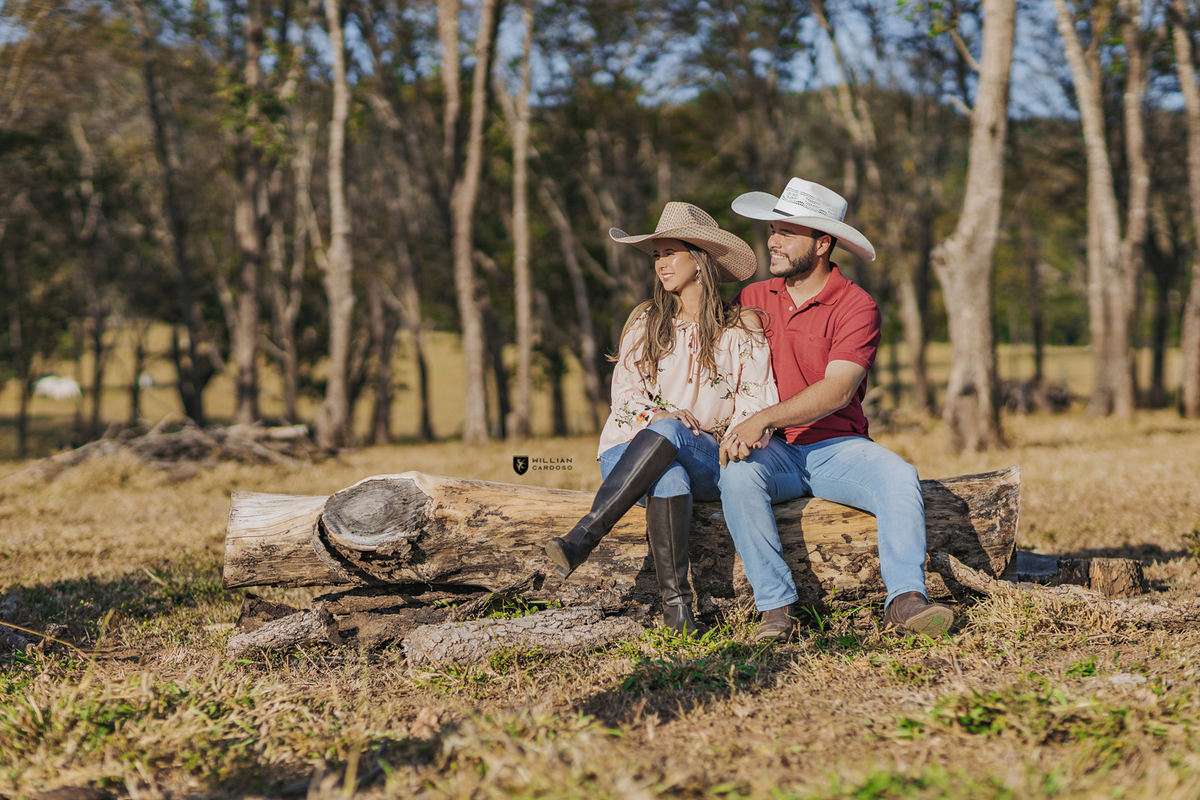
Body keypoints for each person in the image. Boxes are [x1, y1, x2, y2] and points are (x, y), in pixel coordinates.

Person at [717, 177, 954, 642]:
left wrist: (762, 417)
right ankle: (777, 609)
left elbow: (838, 390)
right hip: (774, 450)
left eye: (787, 233)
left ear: (823, 243)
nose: (772, 241)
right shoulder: (753, 298)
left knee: (898, 475)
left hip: (835, 446)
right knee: (739, 476)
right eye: (773, 230)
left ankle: (905, 600)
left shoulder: (856, 306)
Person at [544, 202, 779, 635]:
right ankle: (678, 612)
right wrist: (662, 415)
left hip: (708, 456)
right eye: (656, 255)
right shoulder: (646, 321)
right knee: (668, 477)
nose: (661, 264)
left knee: (671, 435)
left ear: (701, 259)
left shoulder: (741, 327)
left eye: (670, 252)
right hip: (627, 452)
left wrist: (726, 435)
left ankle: (583, 537)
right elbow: (625, 397)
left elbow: (756, 402)